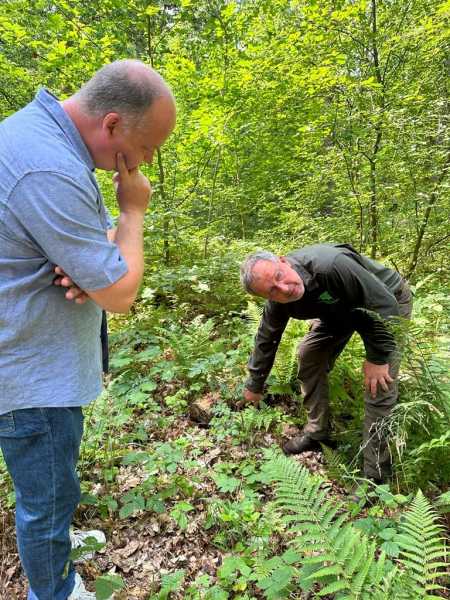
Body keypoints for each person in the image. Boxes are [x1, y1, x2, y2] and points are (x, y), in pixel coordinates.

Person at [0, 60, 176, 599]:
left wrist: (93, 268)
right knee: (45, 501)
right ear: (113, 124)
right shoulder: (49, 167)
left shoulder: (40, 140)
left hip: (34, 359)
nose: (147, 161)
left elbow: (99, 257)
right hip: (32, 375)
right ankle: (53, 590)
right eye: (147, 146)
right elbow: (120, 293)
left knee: (56, 485)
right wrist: (132, 213)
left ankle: (57, 551)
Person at [240, 244, 412, 483]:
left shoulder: (330, 266)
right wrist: (255, 384)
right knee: (309, 355)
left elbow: (383, 303)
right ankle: (317, 433)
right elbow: (267, 338)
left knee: (378, 385)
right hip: (339, 310)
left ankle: (375, 479)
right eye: (272, 291)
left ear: (283, 261)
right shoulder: (279, 300)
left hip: (387, 302)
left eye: (279, 276)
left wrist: (378, 357)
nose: (284, 289)